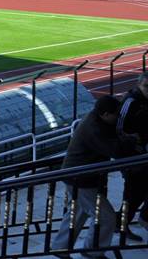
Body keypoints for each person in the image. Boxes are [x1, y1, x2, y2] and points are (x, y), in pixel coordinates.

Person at [52, 95, 121, 259]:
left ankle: (60, 248)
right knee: (106, 217)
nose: (118, 117)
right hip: (81, 179)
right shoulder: (94, 128)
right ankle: (92, 252)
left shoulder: (96, 120)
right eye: (116, 114)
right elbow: (115, 150)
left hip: (76, 176)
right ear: (105, 114)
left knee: (77, 213)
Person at [117, 73, 148, 235]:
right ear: (139, 86)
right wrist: (134, 142)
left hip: (142, 152)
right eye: (146, 87)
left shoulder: (142, 101)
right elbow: (119, 129)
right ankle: (122, 224)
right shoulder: (130, 102)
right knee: (133, 191)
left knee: (139, 190)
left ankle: (131, 220)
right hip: (130, 155)